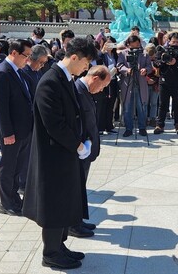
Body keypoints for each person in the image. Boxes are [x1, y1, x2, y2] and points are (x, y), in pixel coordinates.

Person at [22, 37, 98, 270]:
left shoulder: (64, 77)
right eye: (85, 62)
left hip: (65, 154)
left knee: (65, 201)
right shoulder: (50, 81)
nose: (87, 68)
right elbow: (53, 123)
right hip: (53, 156)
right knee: (55, 204)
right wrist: (77, 145)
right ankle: (51, 252)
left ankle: (60, 245)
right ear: (74, 57)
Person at [0, 40, 35, 216]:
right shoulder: (2, 73)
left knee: (18, 167)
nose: (28, 59)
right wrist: (7, 132)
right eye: (26, 55)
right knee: (8, 168)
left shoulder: (19, 72)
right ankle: (6, 202)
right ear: (15, 53)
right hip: (11, 132)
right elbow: (0, 106)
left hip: (23, 129)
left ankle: (14, 197)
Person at [73, 65, 110, 236]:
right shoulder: (78, 90)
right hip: (80, 149)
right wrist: (82, 144)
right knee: (75, 187)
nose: (101, 90)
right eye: (102, 86)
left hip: (86, 148)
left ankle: (78, 220)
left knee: (81, 186)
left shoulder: (86, 91)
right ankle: (72, 224)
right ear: (95, 78)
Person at [117, 35, 153, 137]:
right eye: (132, 47)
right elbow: (119, 65)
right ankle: (128, 128)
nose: (135, 48)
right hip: (127, 83)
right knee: (127, 106)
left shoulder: (144, 53)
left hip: (141, 83)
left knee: (142, 106)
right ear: (128, 45)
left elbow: (149, 66)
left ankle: (142, 128)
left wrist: (145, 70)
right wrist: (127, 70)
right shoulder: (123, 53)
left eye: (137, 45)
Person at [154, 32, 178, 135]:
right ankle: (159, 125)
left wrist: (176, 63)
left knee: (177, 104)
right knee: (162, 104)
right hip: (164, 81)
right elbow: (156, 63)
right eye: (173, 41)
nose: (175, 44)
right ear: (169, 41)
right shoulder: (162, 50)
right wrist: (163, 61)